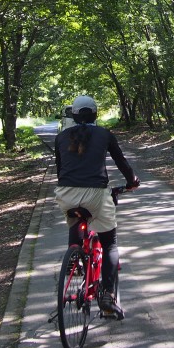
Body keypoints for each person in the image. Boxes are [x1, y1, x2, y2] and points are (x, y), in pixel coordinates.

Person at [54, 94, 139, 317]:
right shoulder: (104, 134)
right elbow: (122, 162)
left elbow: (60, 171)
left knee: (76, 220)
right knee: (109, 243)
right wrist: (132, 182)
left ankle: (75, 259)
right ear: (96, 114)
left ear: (73, 115)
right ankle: (108, 295)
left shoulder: (61, 137)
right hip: (95, 194)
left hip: (66, 193)